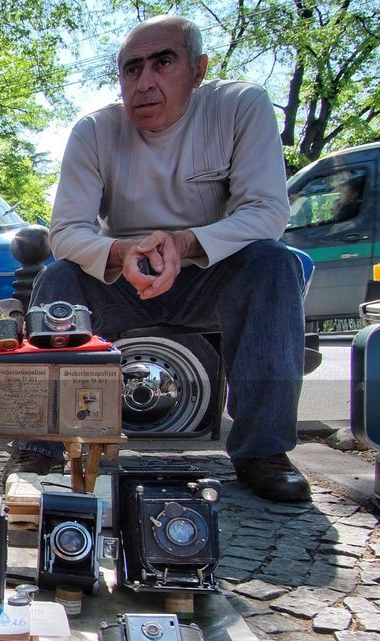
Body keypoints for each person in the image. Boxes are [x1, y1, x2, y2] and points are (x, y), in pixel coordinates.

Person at [16, 15, 310, 502]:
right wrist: (123, 251)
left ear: (198, 70)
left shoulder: (240, 106)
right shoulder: (94, 131)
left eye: (163, 62)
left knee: (275, 263)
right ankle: (40, 442)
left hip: (211, 274)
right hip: (121, 278)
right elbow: (66, 231)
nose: (145, 82)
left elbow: (267, 212)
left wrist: (185, 243)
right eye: (132, 69)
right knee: (57, 282)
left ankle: (263, 451)